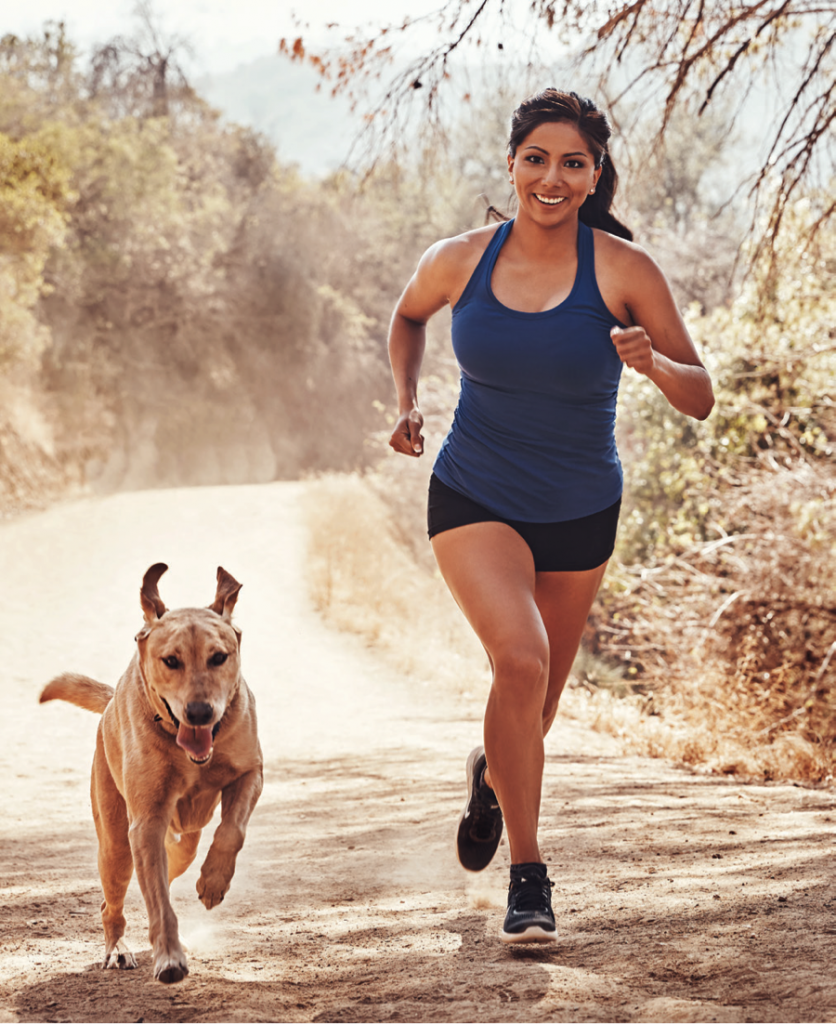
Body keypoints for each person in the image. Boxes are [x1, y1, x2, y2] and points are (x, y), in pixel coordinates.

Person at [387, 89, 714, 944]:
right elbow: (408, 316)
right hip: (475, 495)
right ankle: (528, 878)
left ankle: (491, 774)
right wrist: (408, 400)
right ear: (512, 163)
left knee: (533, 710)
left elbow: (702, 394)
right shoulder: (461, 259)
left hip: (579, 510)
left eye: (574, 163)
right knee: (521, 662)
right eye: (537, 159)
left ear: (595, 174)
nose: (552, 177)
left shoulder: (623, 271)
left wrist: (653, 367)